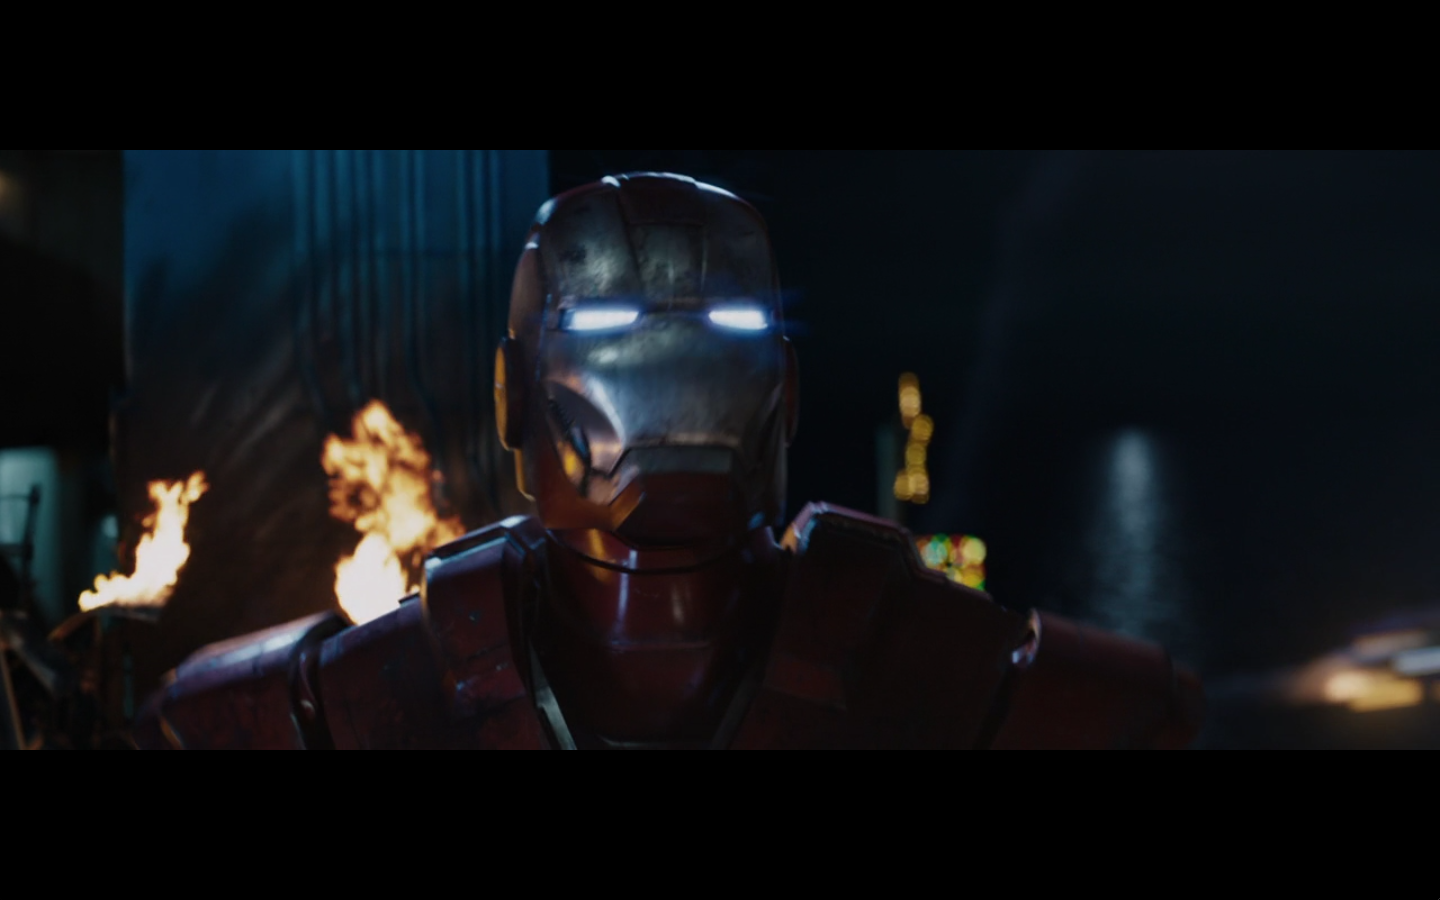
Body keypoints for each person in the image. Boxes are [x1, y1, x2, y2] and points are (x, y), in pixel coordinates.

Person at [132, 173, 1203, 750]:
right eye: (609, 331)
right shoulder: (328, 699)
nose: (668, 376)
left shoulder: (968, 674)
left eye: (718, 332)